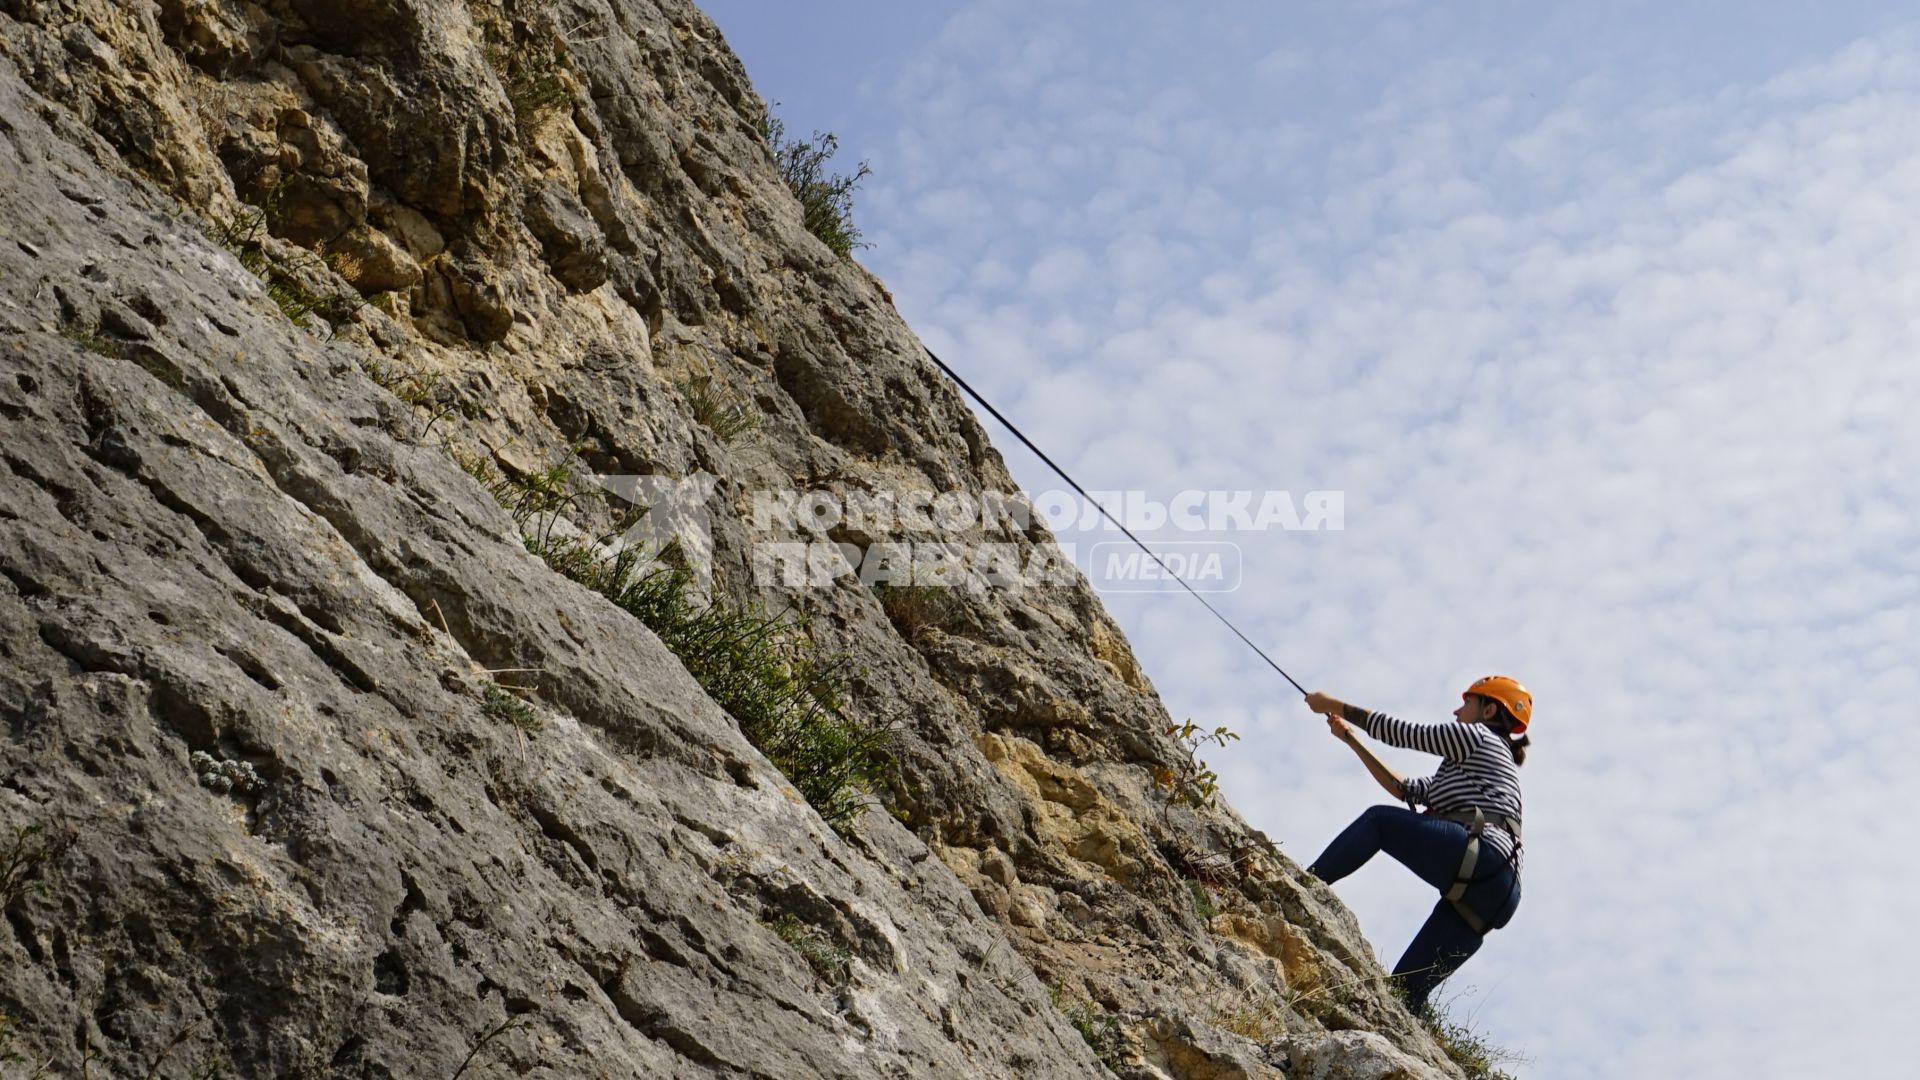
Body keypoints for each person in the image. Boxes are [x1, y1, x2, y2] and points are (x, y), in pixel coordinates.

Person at [1301, 677, 1531, 1014]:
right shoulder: (1467, 770)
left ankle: (1305, 884)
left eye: (1466, 703)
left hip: (1482, 858)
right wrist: (1351, 738)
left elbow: (1401, 732)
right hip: (1497, 896)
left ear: (1489, 709)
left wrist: (1331, 704)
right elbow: (1404, 789)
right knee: (1404, 994)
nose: (1456, 710)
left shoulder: (1478, 737)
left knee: (1379, 821)